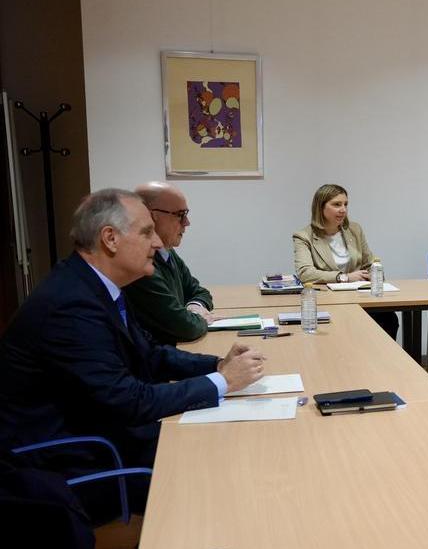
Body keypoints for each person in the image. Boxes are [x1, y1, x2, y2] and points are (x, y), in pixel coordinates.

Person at [0, 189, 266, 472]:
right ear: (110, 239)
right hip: (71, 459)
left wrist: (217, 365)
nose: (157, 243)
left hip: (102, 430)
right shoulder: (70, 306)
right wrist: (223, 381)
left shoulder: (98, 286)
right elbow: (129, 401)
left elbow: (150, 354)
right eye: (147, 232)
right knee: (226, 460)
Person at [292, 184, 399, 339]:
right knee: (344, 328)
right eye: (337, 204)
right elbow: (305, 273)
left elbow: (370, 263)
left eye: (345, 204)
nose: (343, 209)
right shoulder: (303, 236)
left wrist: (373, 274)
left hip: (359, 298)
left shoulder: (354, 230)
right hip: (327, 301)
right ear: (320, 207)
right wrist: (345, 277)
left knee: (389, 319)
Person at [122, 181, 215, 345]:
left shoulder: (166, 252)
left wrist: (195, 306)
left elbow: (198, 291)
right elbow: (185, 327)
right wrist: (198, 317)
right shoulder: (139, 263)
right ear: (150, 216)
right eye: (180, 214)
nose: (187, 222)